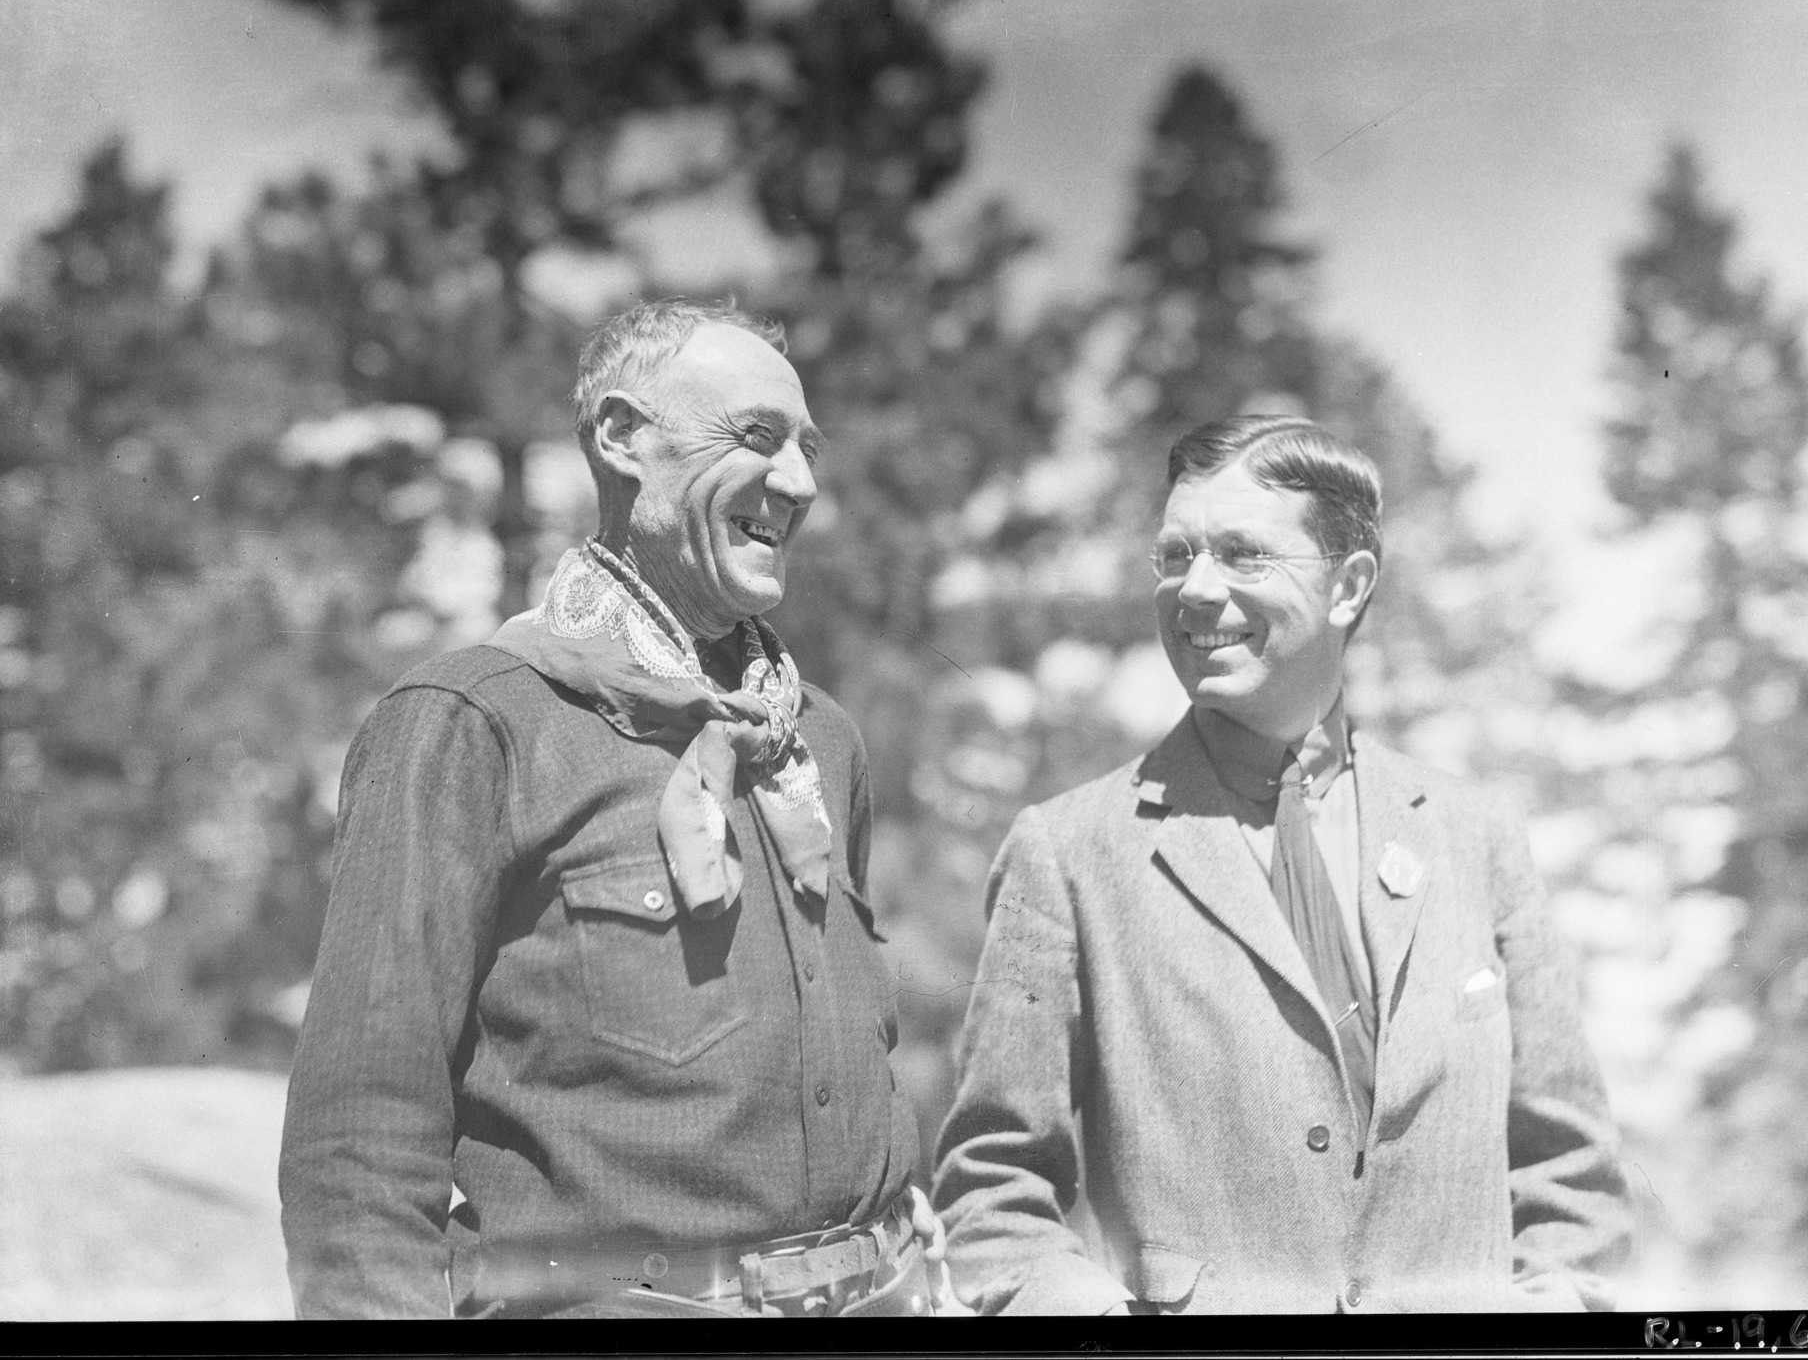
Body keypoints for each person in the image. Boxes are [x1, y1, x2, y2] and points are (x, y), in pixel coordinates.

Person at [280, 299, 960, 1318]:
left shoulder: (819, 741)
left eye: (808, 448)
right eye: (757, 438)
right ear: (621, 439)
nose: (802, 482)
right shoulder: (473, 721)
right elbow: (359, 1148)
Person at [931, 414, 1632, 1314]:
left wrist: (1545, 1315)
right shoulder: (1068, 853)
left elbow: (1571, 1172)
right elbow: (992, 1194)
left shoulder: (1475, 834)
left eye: (1242, 554)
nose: (1194, 589)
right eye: (1175, 555)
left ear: (1349, 586)